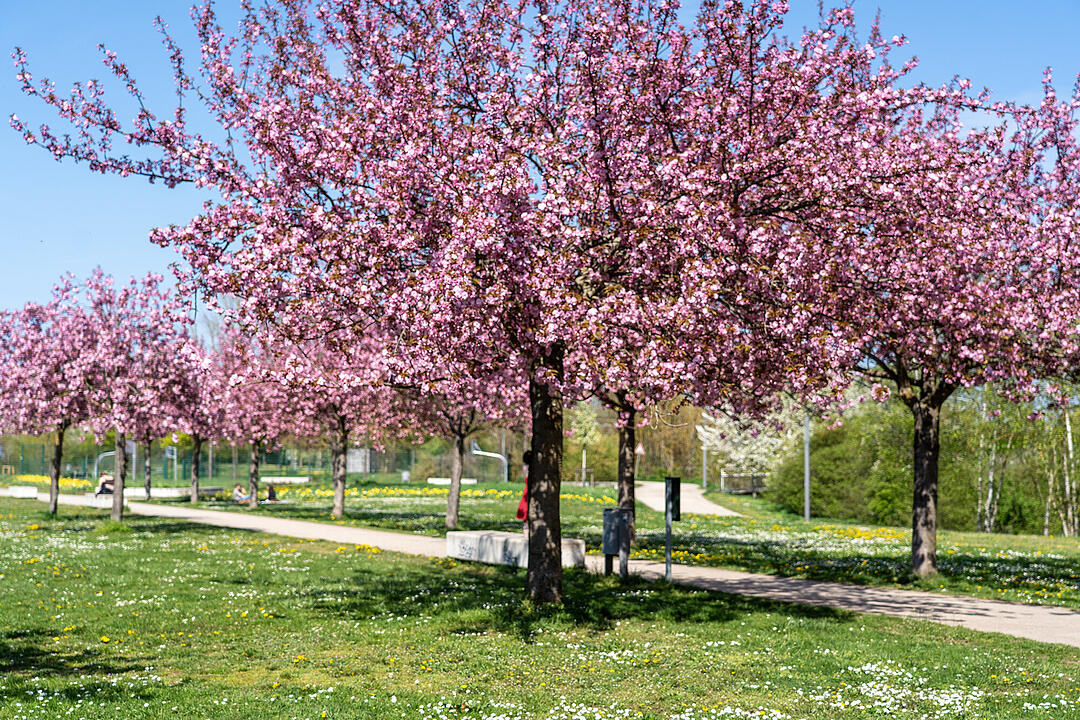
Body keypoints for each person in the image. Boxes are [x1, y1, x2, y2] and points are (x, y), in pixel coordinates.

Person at [516, 450, 532, 533]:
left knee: (526, 508)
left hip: (526, 489)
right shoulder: (531, 467)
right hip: (529, 489)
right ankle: (527, 527)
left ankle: (526, 527)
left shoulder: (524, 466)